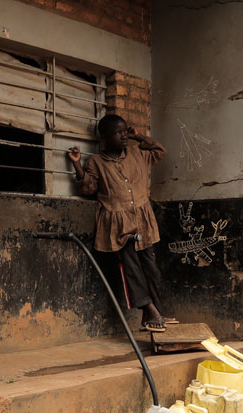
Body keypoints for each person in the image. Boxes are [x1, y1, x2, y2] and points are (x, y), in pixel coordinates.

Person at [67, 114, 175, 332]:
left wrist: (139, 137)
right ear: (105, 136)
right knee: (131, 269)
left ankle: (156, 313)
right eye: (118, 132)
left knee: (151, 268)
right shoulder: (96, 162)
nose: (124, 136)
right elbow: (88, 189)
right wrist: (77, 165)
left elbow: (160, 151)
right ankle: (149, 309)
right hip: (117, 225)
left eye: (125, 131)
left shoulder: (138, 153)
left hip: (143, 221)